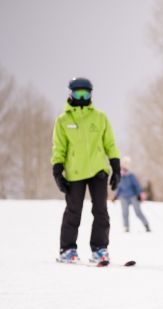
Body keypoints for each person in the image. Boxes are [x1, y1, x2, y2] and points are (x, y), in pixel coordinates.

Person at [51, 77, 121, 263]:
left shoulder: (100, 117)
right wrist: (57, 171)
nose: (81, 96)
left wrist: (116, 167)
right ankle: (67, 250)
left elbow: (110, 144)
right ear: (70, 94)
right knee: (73, 211)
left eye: (85, 93)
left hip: (98, 170)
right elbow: (59, 147)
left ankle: (99, 249)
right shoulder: (63, 120)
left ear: (91, 94)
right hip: (75, 173)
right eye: (77, 93)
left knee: (101, 211)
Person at [114, 156, 150, 233]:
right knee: (125, 213)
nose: (123, 168)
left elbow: (136, 186)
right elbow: (119, 188)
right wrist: (115, 196)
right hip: (123, 197)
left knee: (138, 212)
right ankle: (126, 227)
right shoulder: (119, 176)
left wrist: (140, 194)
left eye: (125, 166)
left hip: (133, 196)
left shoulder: (131, 175)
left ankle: (146, 225)